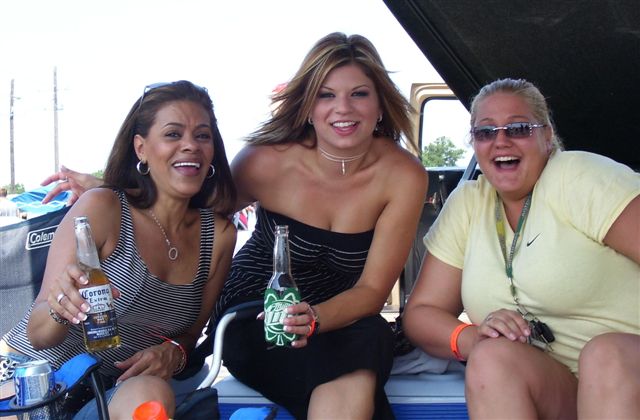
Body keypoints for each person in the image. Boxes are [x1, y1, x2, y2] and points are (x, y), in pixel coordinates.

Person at [38, 33, 429, 419]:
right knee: (352, 359)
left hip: (344, 315)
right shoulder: (266, 160)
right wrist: (112, 191)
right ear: (308, 107)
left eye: (359, 94)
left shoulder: (403, 176)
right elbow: (181, 201)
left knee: (371, 337)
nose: (343, 108)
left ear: (380, 104)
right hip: (256, 310)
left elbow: (372, 291)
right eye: (326, 95)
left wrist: (314, 319)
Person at [403, 78, 639, 419]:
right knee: (490, 358)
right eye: (486, 132)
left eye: (518, 128)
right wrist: (473, 337)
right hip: (560, 386)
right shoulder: (469, 203)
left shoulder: (578, 177)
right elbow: (422, 312)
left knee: (605, 356)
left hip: (625, 371)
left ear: (547, 136)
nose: (501, 141)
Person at [0, 80, 237, 419]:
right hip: (32, 384)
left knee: (151, 394)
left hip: (111, 394)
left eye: (202, 136)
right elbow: (38, 334)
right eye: (173, 134)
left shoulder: (219, 236)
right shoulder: (103, 208)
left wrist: (174, 353)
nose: (191, 146)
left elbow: (188, 335)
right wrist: (61, 306)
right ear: (141, 148)